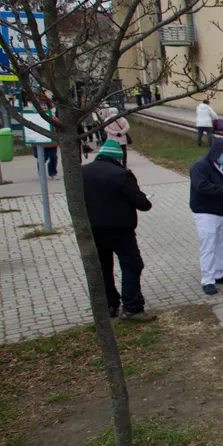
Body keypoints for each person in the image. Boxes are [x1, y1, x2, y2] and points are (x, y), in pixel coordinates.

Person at [83, 138, 155, 321]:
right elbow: (141, 203)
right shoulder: (121, 174)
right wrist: (145, 200)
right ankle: (132, 307)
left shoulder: (82, 172)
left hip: (94, 231)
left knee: (103, 268)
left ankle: (109, 305)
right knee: (132, 265)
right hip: (121, 231)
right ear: (117, 158)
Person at [189, 138, 223, 295]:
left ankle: (217, 273)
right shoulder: (200, 167)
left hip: (222, 211)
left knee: (221, 245)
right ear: (216, 152)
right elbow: (202, 187)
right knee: (208, 246)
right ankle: (207, 279)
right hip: (206, 212)